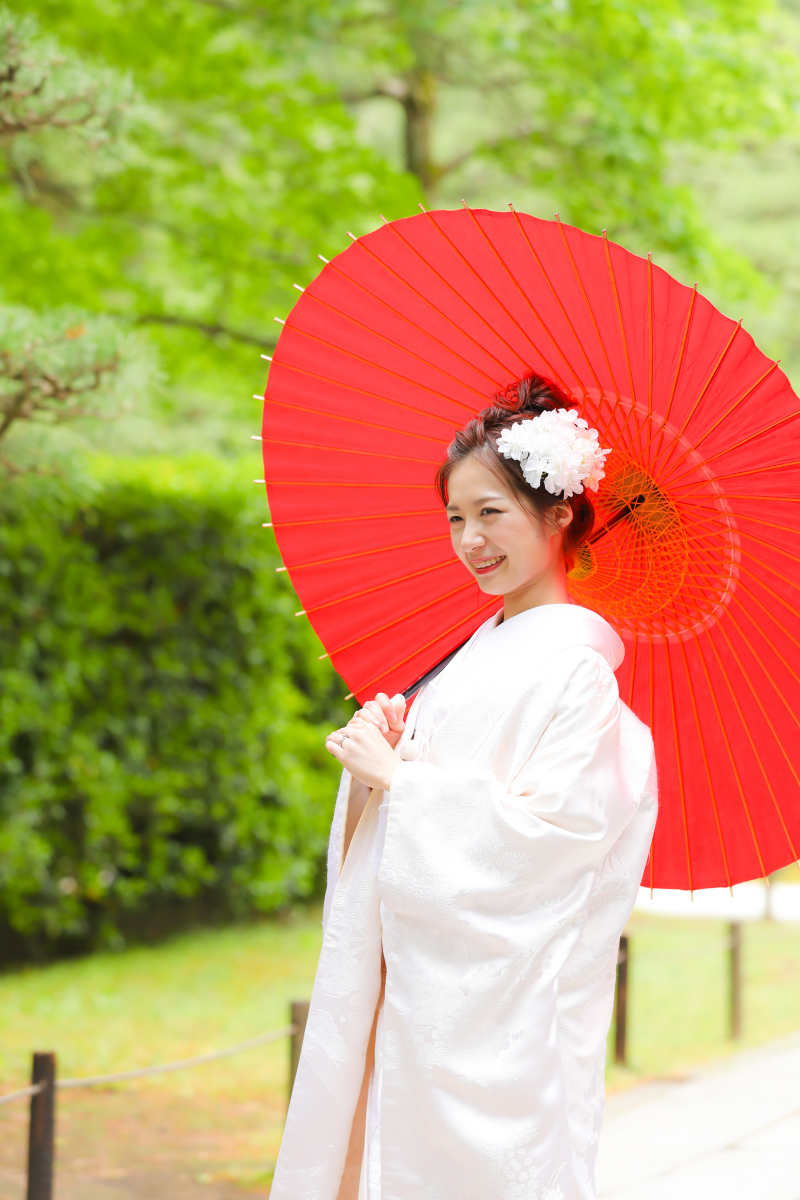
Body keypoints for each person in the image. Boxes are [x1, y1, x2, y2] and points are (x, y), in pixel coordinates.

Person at [269, 374, 658, 1200]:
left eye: (492, 513)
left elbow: (546, 851)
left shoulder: (580, 681)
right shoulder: (466, 662)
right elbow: (400, 821)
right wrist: (385, 757)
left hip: (497, 1028)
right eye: (455, 517)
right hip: (410, 992)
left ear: (560, 516)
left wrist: (401, 786)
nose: (470, 540)